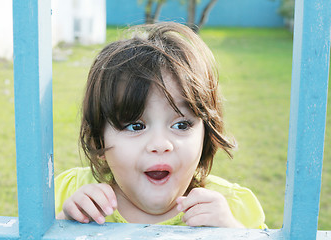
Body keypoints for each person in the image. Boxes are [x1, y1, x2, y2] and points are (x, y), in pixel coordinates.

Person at [55, 22, 266, 229]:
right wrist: (63, 224)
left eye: (181, 125)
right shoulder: (71, 192)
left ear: (206, 134)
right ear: (99, 138)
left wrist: (233, 232)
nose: (160, 144)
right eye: (136, 126)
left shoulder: (233, 207)